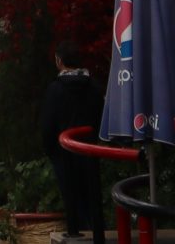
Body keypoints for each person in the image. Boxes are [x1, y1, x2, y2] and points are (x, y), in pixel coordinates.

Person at [36, 38, 105, 244]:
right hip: (91, 151)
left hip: (64, 154)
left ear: (59, 61)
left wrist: (51, 150)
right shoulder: (93, 87)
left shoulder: (55, 90)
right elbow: (101, 116)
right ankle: (96, 235)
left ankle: (77, 232)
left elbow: (47, 126)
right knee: (93, 200)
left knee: (72, 201)